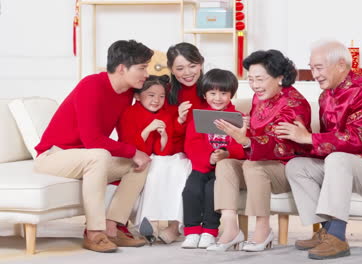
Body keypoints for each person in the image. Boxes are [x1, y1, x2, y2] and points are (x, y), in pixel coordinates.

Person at [276, 40, 362, 260]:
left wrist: (309, 138)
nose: (314, 74)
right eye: (311, 67)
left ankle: (338, 238)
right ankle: (326, 231)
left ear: (341, 65)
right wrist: (298, 140)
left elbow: (357, 140)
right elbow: (328, 147)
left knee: (337, 159)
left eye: (319, 68)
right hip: (345, 166)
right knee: (297, 166)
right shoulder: (325, 96)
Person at [34, 40, 154, 253]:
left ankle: (112, 227)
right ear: (121, 68)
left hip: (87, 159)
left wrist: (138, 153)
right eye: (142, 67)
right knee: (99, 154)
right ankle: (94, 233)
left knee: (141, 164)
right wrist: (132, 151)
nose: (146, 73)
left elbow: (124, 136)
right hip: (54, 157)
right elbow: (92, 140)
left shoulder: (127, 94)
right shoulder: (91, 85)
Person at [207, 50, 311, 252]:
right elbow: (256, 133)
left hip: (286, 168)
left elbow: (282, 145)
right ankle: (230, 229)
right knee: (226, 164)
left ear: (280, 78)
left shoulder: (294, 104)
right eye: (251, 79)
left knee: (254, 166)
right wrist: (244, 128)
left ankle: (263, 229)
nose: (255, 85)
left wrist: (246, 140)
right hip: (257, 165)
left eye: (260, 79)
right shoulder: (259, 98)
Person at [116, 75, 191, 244]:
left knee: (178, 166)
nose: (157, 100)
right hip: (139, 156)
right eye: (151, 95)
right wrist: (148, 130)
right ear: (137, 95)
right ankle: (149, 222)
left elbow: (164, 149)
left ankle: (174, 225)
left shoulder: (166, 113)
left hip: (162, 156)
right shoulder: (129, 113)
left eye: (161, 96)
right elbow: (131, 147)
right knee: (154, 169)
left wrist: (164, 135)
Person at [181, 69, 246, 249]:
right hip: (203, 166)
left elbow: (242, 147)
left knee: (212, 190)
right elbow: (191, 144)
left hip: (224, 171)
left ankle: (210, 232)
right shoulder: (199, 116)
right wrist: (209, 158)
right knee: (191, 190)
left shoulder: (239, 118)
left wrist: (226, 154)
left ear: (231, 94)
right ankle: (192, 231)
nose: (218, 98)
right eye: (212, 93)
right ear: (205, 94)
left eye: (223, 93)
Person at [166, 42, 208, 154]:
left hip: (207, 149)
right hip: (177, 151)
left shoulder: (212, 89)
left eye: (192, 66)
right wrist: (179, 121)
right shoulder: (163, 93)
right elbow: (163, 134)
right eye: (180, 68)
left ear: (201, 64)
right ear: (171, 69)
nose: (187, 73)